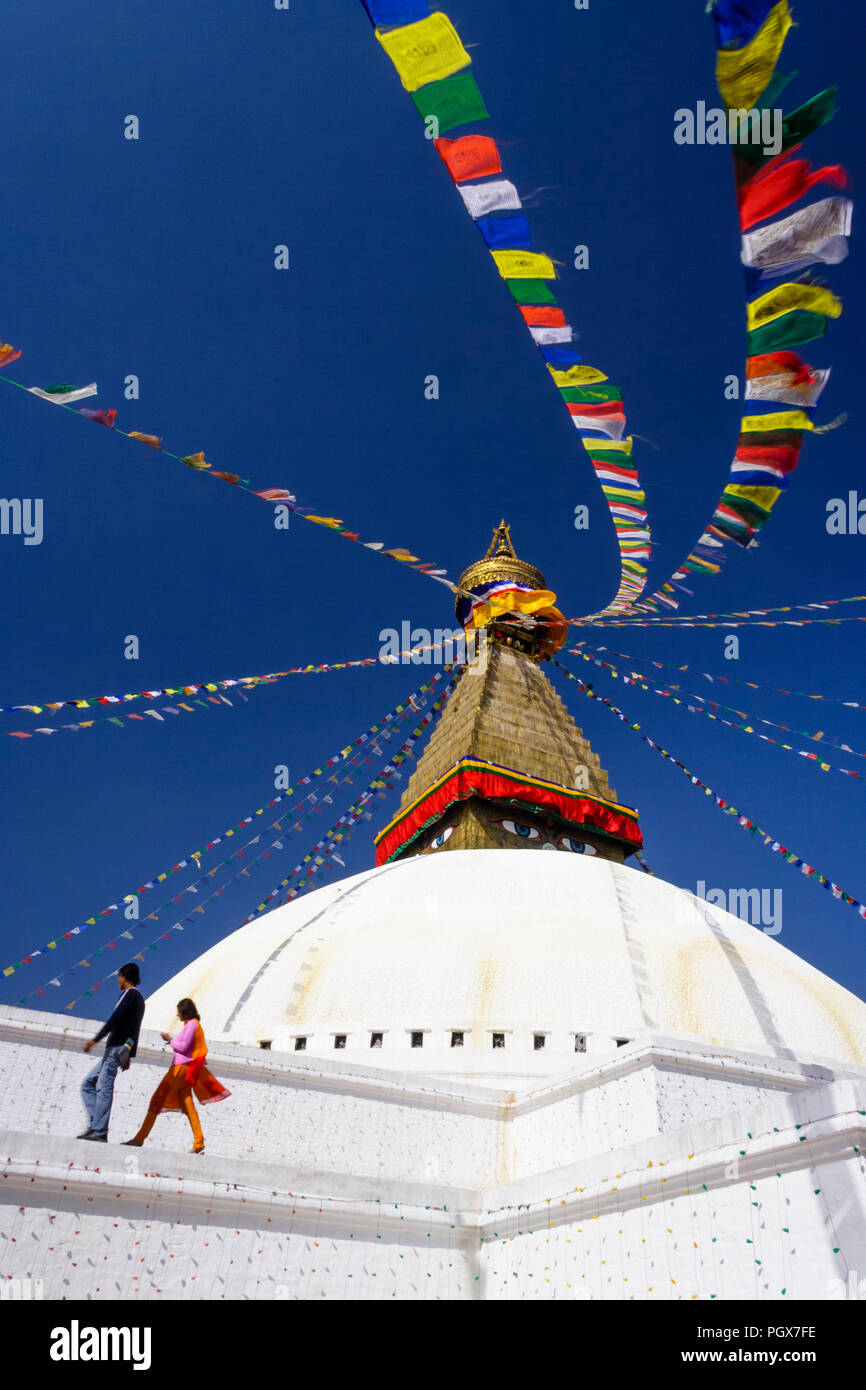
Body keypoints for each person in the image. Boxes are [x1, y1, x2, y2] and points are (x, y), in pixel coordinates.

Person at [123, 998, 230, 1154]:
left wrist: (170, 1040)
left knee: (157, 1099)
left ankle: (139, 1138)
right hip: (184, 1070)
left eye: (179, 1011)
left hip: (180, 1069)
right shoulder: (190, 1025)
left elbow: (183, 1047)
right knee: (188, 1106)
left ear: (184, 1011)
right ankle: (199, 1142)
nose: (177, 1014)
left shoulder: (192, 1024)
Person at [79, 962, 145, 1143]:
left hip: (115, 1047)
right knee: (88, 1084)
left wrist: (96, 1038)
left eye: (119, 976)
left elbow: (116, 1019)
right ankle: (95, 1126)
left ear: (124, 976)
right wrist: (129, 1055)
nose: (118, 980)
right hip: (120, 1049)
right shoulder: (139, 999)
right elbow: (134, 1028)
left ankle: (99, 1131)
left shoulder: (130, 994)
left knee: (103, 1088)